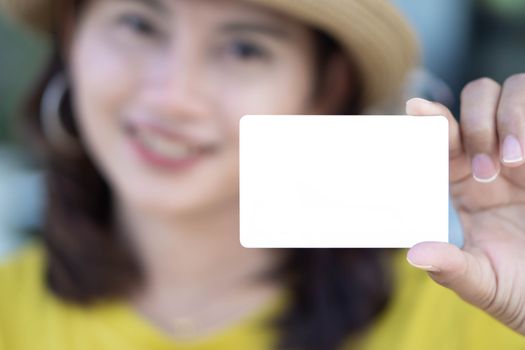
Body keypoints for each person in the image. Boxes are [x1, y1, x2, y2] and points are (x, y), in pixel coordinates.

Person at [1, 0, 525, 349]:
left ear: (327, 88)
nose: (171, 96)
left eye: (245, 47)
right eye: (138, 23)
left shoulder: (472, 317)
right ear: (73, 38)